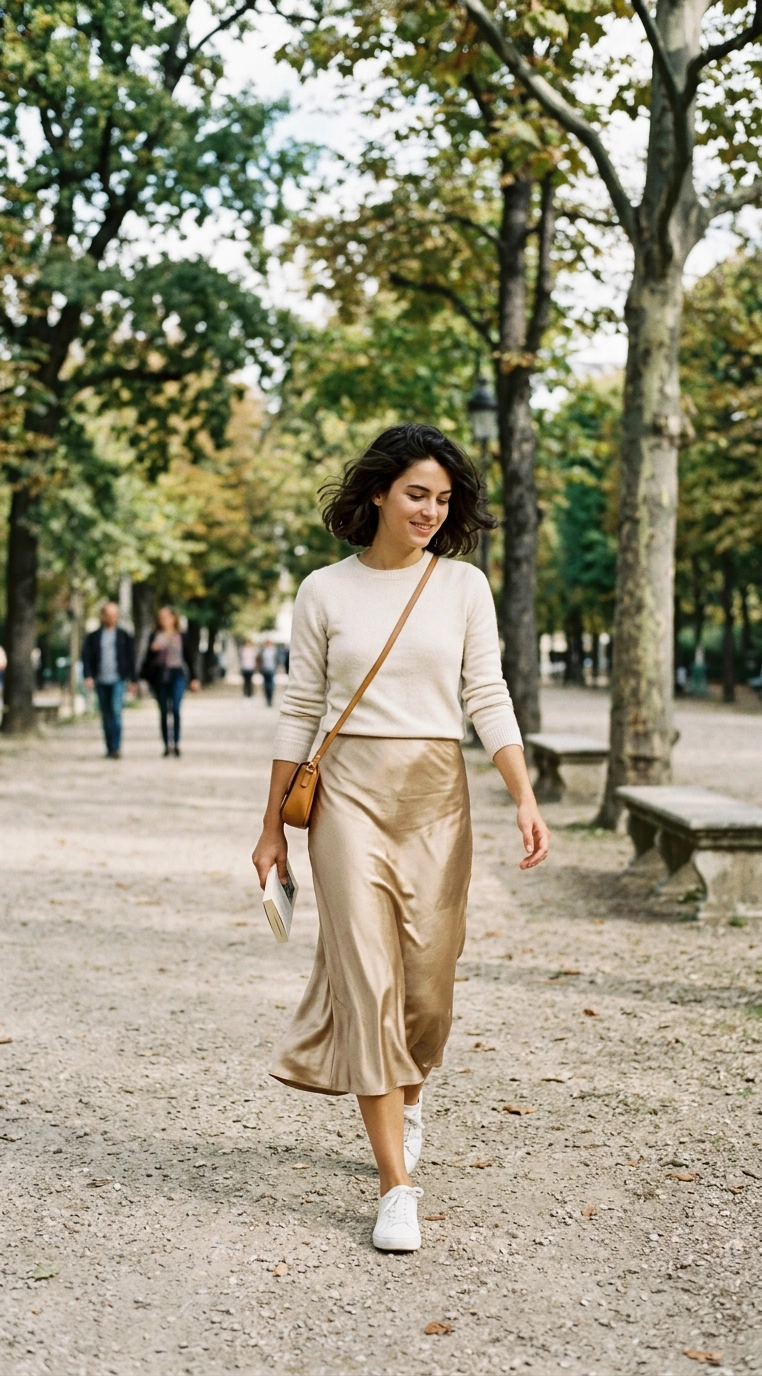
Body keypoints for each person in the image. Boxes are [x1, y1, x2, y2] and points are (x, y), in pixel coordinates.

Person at [252, 423, 549, 1254]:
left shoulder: (462, 588)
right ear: (378, 492)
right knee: (368, 978)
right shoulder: (323, 591)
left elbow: (486, 693)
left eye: (443, 499)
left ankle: (410, 1100)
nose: (429, 510)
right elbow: (297, 710)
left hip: (434, 797)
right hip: (344, 795)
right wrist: (270, 826)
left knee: (425, 985)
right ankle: (395, 1186)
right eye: (416, 493)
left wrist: (521, 794)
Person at [141, 607, 199, 756]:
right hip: (160, 676)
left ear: (173, 618)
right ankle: (167, 745)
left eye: (167, 616)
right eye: (161, 617)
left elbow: (189, 658)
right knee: (163, 711)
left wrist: (194, 678)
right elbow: (146, 660)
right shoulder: (155, 635)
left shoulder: (181, 635)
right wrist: (153, 650)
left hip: (177, 674)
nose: (164, 620)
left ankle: (176, 743)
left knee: (176, 709)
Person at [82, 602, 137, 758]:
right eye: (108, 614)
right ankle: (109, 747)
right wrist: (88, 676)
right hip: (100, 679)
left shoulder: (124, 636)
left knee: (116, 711)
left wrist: (133, 680)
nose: (112, 617)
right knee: (106, 714)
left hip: (118, 679)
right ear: (102, 616)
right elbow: (86, 658)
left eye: (114, 614)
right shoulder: (93, 637)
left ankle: (116, 747)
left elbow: (131, 658)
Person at [259, 638, 278, 706]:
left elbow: (277, 660)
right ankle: (267, 699)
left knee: (271, 685)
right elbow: (260, 660)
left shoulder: (274, 651)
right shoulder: (263, 651)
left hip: (272, 669)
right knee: (266, 685)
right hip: (265, 670)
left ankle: (270, 699)